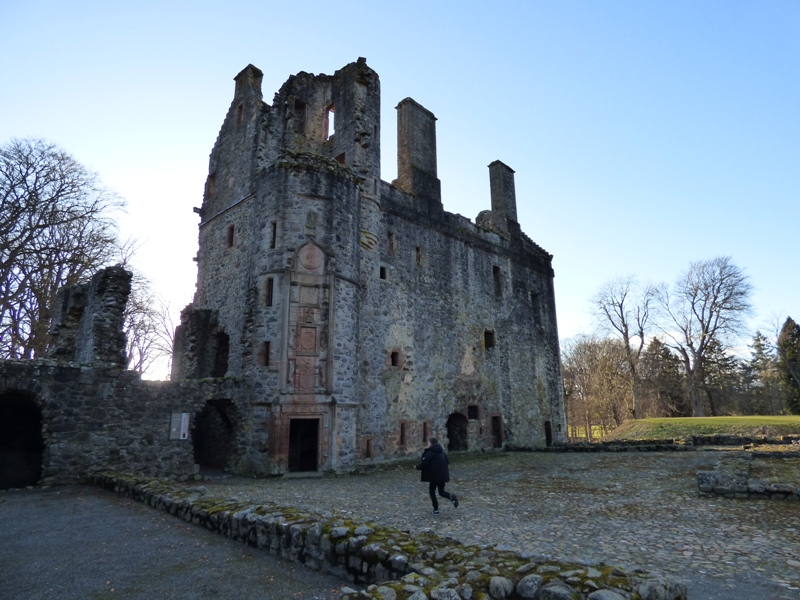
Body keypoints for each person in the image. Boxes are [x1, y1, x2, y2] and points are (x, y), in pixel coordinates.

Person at [415, 437, 459, 515]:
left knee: (432, 492)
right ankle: (451, 496)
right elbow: (447, 462)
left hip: (434, 476)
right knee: (441, 491)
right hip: (442, 475)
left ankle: (436, 509)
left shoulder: (430, 452)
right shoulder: (442, 452)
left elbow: (425, 463)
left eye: (428, 442)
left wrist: (417, 467)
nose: (427, 444)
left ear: (431, 443)